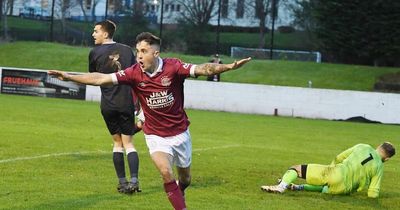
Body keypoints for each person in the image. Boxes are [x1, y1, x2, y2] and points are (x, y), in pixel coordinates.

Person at [49, 32, 251, 210]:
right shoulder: (134, 73)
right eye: (138, 51)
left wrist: (228, 67)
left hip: (180, 133)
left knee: (185, 179)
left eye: (144, 51)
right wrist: (68, 76)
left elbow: (203, 68)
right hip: (155, 135)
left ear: (155, 53)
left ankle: (180, 192)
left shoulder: (174, 67)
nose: (139, 55)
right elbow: (100, 78)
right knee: (165, 171)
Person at [89, 20, 140, 194]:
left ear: (105, 33)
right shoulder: (127, 50)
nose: (93, 34)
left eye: (96, 31)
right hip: (125, 103)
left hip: (108, 105)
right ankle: (134, 180)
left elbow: (94, 77)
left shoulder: (94, 53)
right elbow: (136, 75)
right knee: (129, 143)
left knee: (117, 143)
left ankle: (122, 182)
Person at [261, 142, 396, 198]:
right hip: (345, 189)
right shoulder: (379, 167)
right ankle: (298, 188)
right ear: (387, 159)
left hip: (335, 173)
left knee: (296, 169)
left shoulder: (363, 146)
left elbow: (339, 157)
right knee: (326, 188)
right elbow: (373, 193)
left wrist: (331, 167)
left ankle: (281, 187)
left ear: (378, 146)